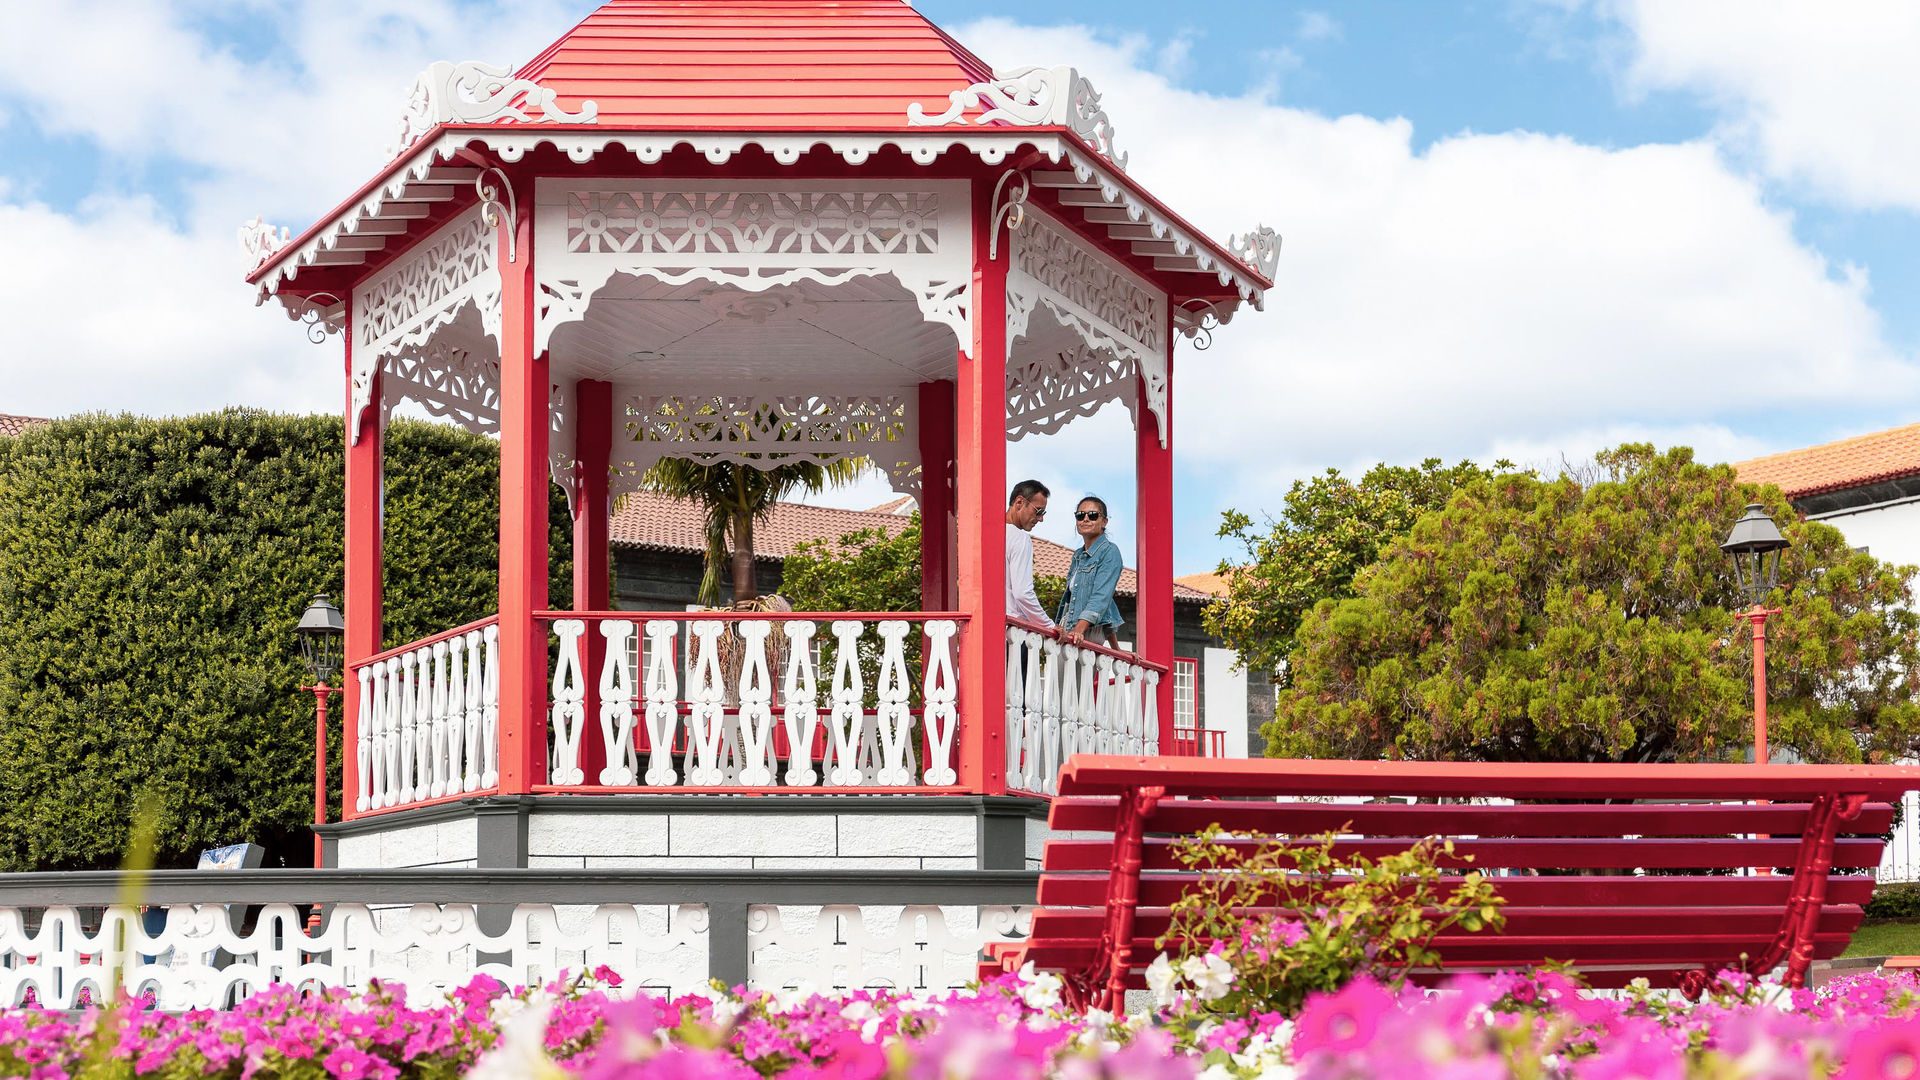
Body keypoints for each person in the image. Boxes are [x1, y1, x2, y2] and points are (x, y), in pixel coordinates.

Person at [1057, 496, 1124, 648]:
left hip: (1086, 630)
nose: (1085, 519)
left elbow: (1101, 597)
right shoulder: (1078, 555)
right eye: (1080, 515)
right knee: (1058, 672)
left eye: (1092, 515)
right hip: (1069, 626)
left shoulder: (1110, 552)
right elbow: (1105, 604)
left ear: (1104, 522)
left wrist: (1078, 629)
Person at [1005, 479, 1053, 629]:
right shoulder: (1020, 538)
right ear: (1019, 502)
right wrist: (1049, 625)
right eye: (1038, 511)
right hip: (1014, 632)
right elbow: (1022, 593)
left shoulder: (988, 534)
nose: (1041, 519)